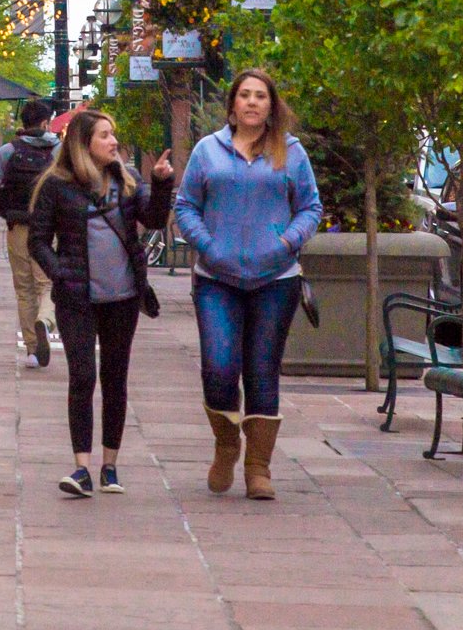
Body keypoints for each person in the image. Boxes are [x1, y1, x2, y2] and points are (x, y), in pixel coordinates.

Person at [174, 69, 322, 502]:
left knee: (261, 371)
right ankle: (226, 444)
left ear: (272, 105)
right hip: (216, 278)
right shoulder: (207, 151)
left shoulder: (291, 153)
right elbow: (186, 206)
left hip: (275, 278)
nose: (253, 102)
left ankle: (259, 468)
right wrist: (207, 245)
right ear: (233, 105)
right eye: (245, 95)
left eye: (261, 96)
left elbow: (310, 207)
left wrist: (286, 242)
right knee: (219, 367)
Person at [27, 108, 176, 498]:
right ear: (84, 144)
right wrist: (61, 272)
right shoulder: (56, 185)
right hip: (77, 298)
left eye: (113, 135)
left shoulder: (127, 181)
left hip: (123, 297)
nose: (113, 142)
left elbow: (155, 220)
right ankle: (82, 469)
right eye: (105, 136)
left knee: (114, 378)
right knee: (82, 377)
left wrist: (162, 185)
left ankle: (110, 466)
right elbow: (37, 240)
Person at [0, 99, 63, 367]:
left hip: (18, 226)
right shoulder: (58, 150)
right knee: (47, 283)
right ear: (45, 123)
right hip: (48, 228)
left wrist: (6, 213)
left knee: (23, 289)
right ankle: (45, 320)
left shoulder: (7, 151)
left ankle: (32, 350)